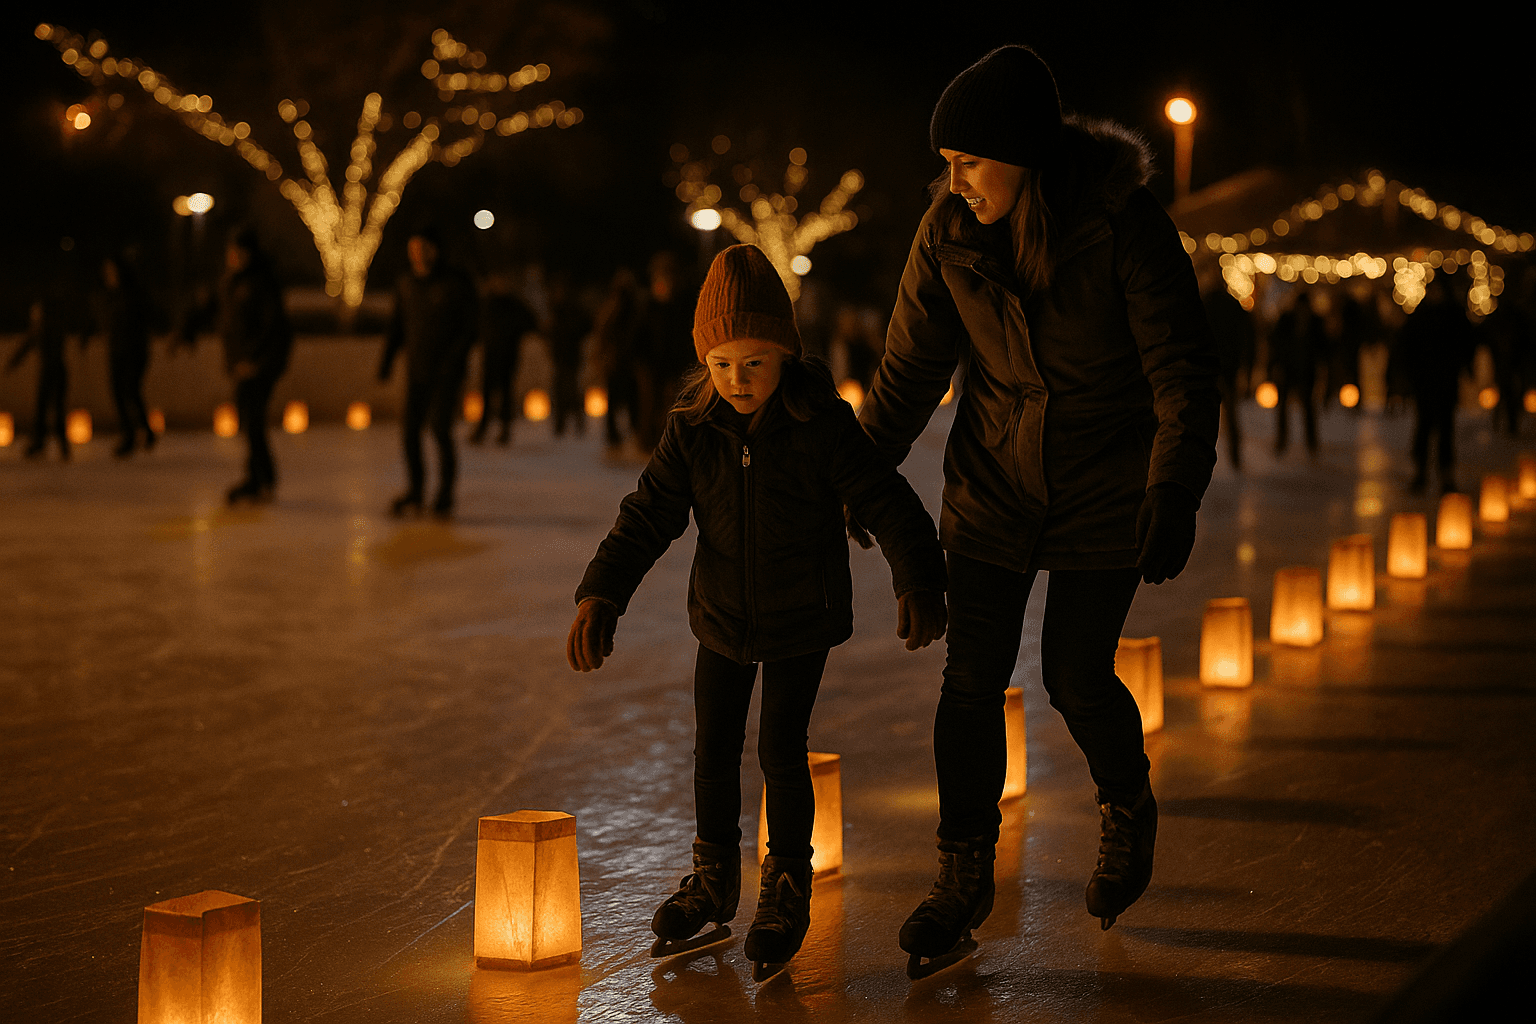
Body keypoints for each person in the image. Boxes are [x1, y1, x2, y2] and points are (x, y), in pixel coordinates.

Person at [855, 46, 1221, 971]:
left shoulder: (1124, 226)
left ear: (1022, 154)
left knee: (1073, 674)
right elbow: (906, 374)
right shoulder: (947, 235)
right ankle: (961, 872)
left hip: (1104, 483)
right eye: (948, 164)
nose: (955, 180)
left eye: (969, 161)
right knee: (970, 680)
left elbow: (1180, 367)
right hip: (991, 486)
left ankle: (1127, 803)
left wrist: (1172, 487)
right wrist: (853, 480)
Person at [567, 244, 947, 978]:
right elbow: (647, 515)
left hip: (802, 613)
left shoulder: (821, 423)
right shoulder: (694, 427)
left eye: (755, 364)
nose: (738, 381)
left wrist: (918, 579)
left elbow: (885, 500)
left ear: (784, 353)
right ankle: (712, 880)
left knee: (779, 746)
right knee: (712, 746)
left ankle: (785, 885)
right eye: (722, 365)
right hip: (721, 614)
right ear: (704, 363)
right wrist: (601, 591)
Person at [379, 227, 478, 517]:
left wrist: (454, 360)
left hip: (447, 372)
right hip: (417, 371)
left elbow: (470, 327)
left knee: (439, 429)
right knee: (410, 431)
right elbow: (397, 324)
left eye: (422, 249)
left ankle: (444, 495)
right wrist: (386, 361)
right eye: (413, 250)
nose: (417, 256)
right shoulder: (407, 283)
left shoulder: (455, 283)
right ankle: (415, 491)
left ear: (434, 250)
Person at [218, 228, 293, 502]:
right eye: (232, 251)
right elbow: (221, 316)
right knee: (246, 421)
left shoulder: (262, 283)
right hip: (240, 364)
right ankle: (258, 476)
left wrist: (254, 360)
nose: (234, 257)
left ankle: (262, 478)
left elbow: (272, 326)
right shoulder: (229, 283)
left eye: (239, 252)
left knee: (253, 421)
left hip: (261, 365)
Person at [91, 254, 156, 457]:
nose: (108, 274)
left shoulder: (133, 293)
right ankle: (140, 431)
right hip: (116, 350)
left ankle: (134, 434)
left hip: (134, 350)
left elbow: (147, 316)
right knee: (119, 392)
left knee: (130, 390)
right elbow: (105, 321)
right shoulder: (108, 296)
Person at [471, 271, 537, 446]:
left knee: (506, 393)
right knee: (486, 392)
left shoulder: (514, 305)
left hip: (508, 356)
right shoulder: (487, 304)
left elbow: (531, 322)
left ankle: (505, 429)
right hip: (491, 355)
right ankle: (482, 428)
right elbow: (475, 325)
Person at [6, 294, 73, 461]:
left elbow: (27, 345)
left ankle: (51, 443)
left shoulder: (44, 328)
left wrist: (12, 363)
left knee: (50, 407)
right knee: (49, 407)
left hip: (53, 371)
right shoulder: (48, 327)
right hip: (55, 370)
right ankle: (50, 443)